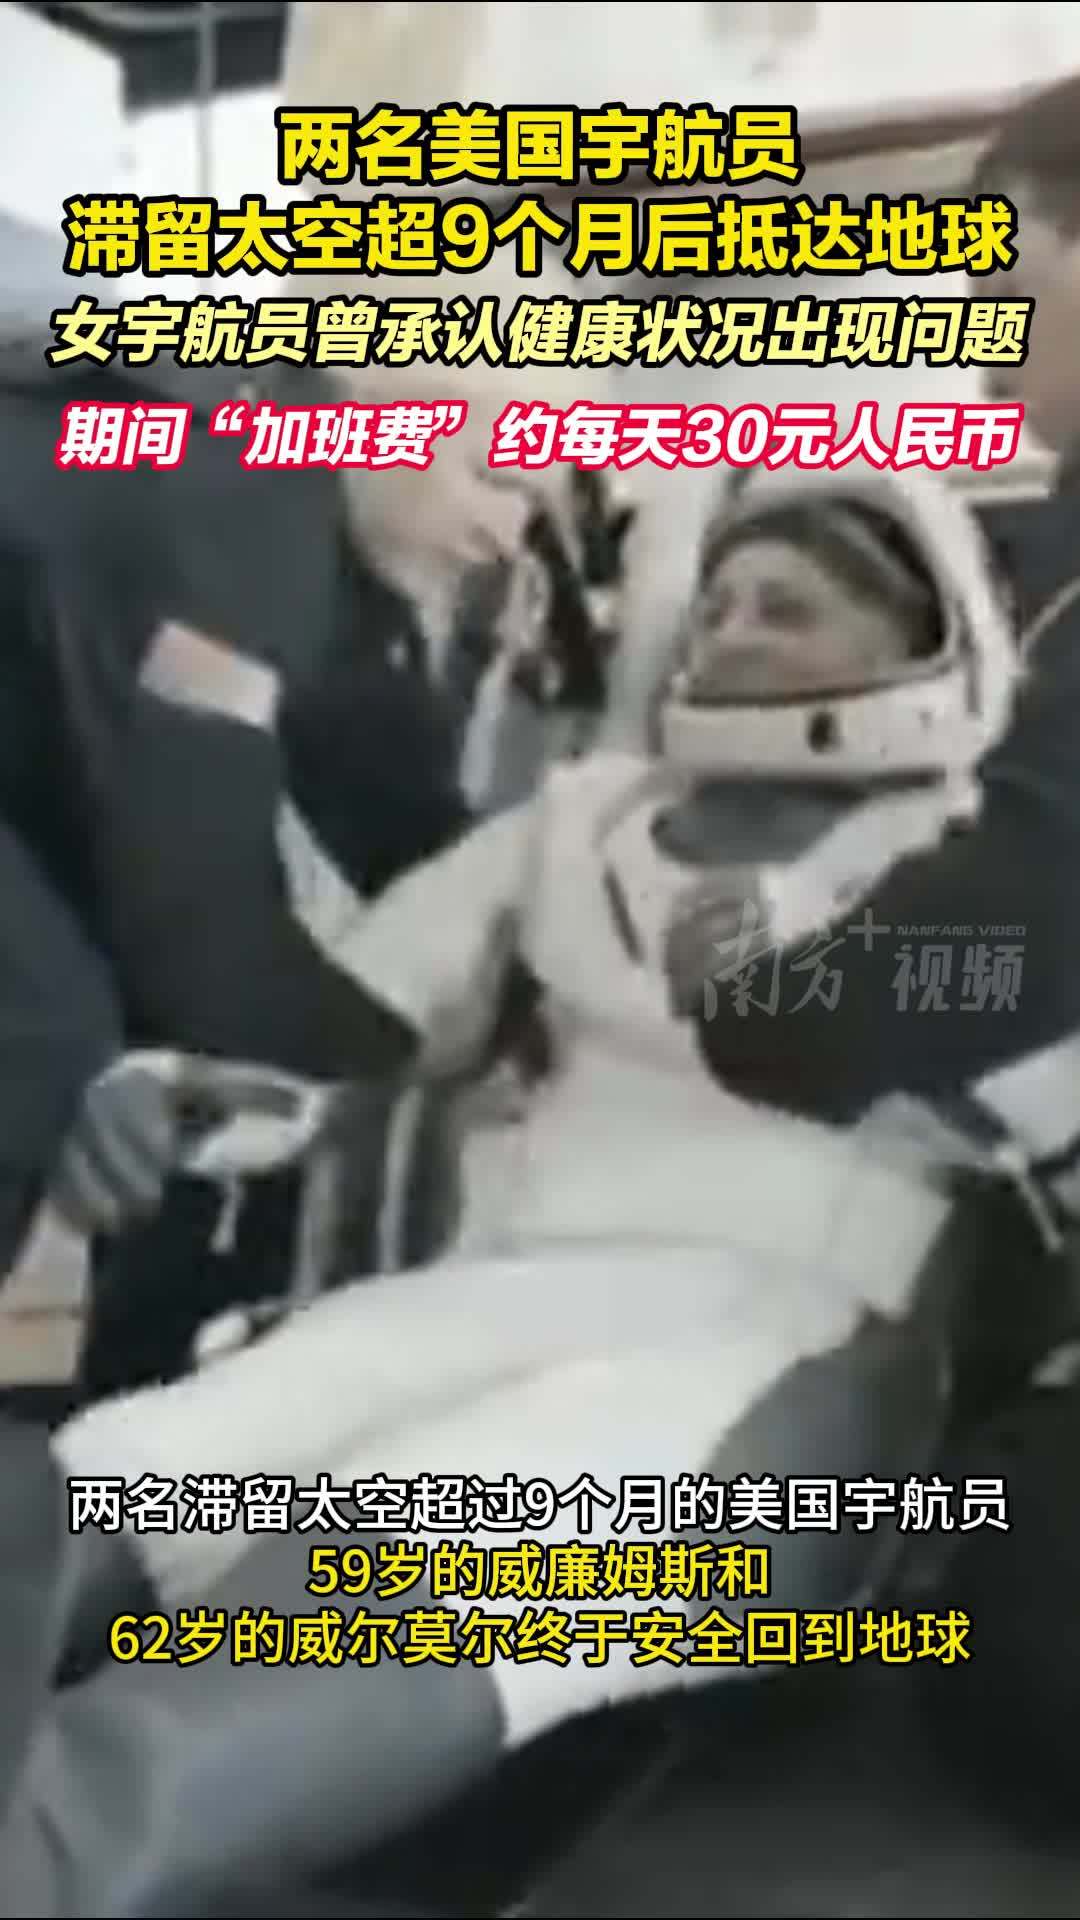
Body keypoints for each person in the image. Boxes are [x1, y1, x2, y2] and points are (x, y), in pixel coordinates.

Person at [16, 463, 1022, 1914]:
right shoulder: (578, 822)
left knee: (433, 1561)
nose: (734, 633)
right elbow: (354, 1031)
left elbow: (1022, 1035)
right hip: (482, 1292)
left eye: (790, 609)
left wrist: (821, 981)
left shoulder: (976, 868)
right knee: (133, 1468)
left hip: (778, 1337)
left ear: (929, 634)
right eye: (722, 604)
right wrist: (190, 1098)